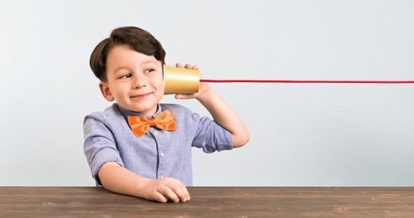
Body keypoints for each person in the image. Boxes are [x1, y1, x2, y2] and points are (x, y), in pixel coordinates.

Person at [83, 26, 249, 203]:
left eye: (149, 70)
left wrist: (205, 93)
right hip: (124, 212)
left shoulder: (183, 117)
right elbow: (107, 169)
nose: (140, 82)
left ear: (166, 75)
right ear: (107, 90)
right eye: (126, 75)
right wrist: (145, 187)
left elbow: (238, 136)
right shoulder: (101, 123)